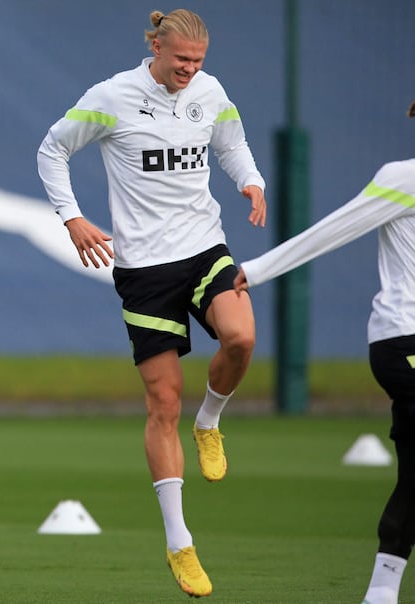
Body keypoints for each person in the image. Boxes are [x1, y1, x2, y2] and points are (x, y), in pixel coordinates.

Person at [37, 8, 267, 598]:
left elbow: (232, 144)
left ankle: (210, 419)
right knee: (163, 400)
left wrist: (252, 181)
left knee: (241, 338)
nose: (191, 70)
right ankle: (179, 542)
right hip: (143, 270)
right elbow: (51, 150)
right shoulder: (112, 96)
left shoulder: (211, 91)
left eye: (199, 61)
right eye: (181, 60)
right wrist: (74, 219)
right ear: (155, 47)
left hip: (204, 246)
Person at [235, 100, 415, 604]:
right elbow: (333, 229)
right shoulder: (403, 178)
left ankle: (381, 591)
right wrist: (259, 269)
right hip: (404, 341)